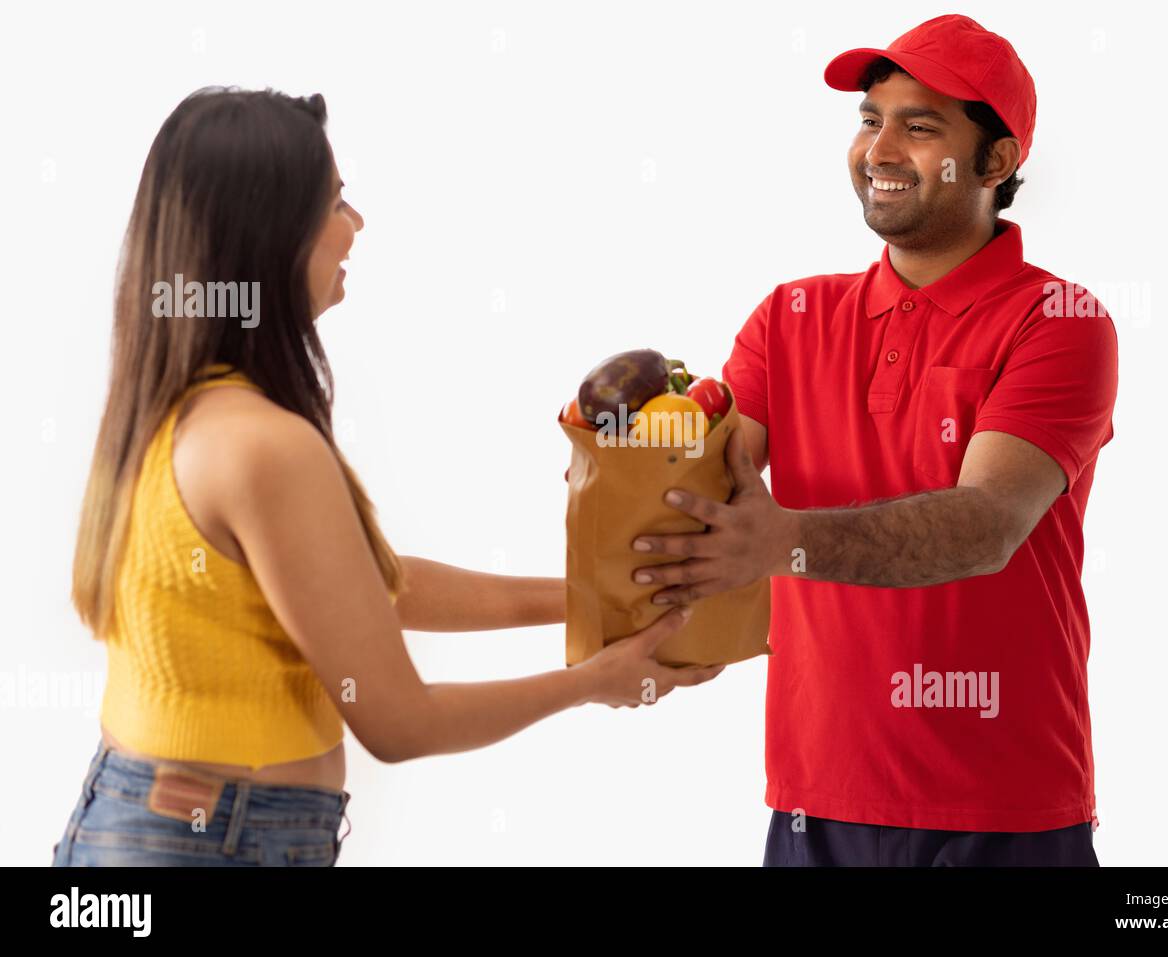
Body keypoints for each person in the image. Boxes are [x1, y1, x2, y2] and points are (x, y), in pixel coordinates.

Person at [53, 87, 721, 867]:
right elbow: (400, 723)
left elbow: (370, 592)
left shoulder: (180, 407)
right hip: (212, 842)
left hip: (155, 822)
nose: (356, 224)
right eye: (336, 200)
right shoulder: (261, 445)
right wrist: (593, 680)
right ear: (271, 233)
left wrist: (594, 598)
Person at [629, 15, 1118, 866]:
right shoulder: (790, 317)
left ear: (997, 163)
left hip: (1003, 810)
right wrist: (617, 453)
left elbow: (988, 522)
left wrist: (782, 541)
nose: (879, 149)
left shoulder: (1059, 322)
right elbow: (701, 489)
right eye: (869, 119)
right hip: (813, 807)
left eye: (920, 126)